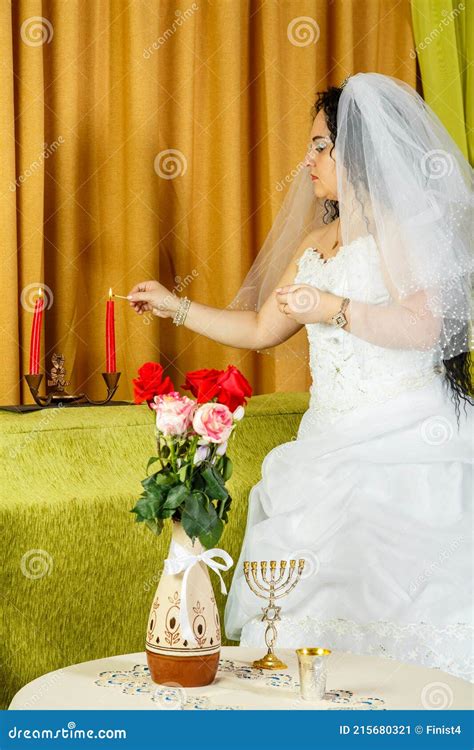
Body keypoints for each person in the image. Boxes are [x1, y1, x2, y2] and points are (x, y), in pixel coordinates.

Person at [127, 72, 473, 682]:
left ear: (358, 153)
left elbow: (426, 326)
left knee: (388, 580)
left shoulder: (400, 232)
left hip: (405, 435)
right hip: (327, 441)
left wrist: (334, 309)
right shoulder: (316, 241)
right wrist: (173, 306)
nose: (309, 160)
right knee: (308, 578)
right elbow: (261, 329)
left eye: (321, 146)